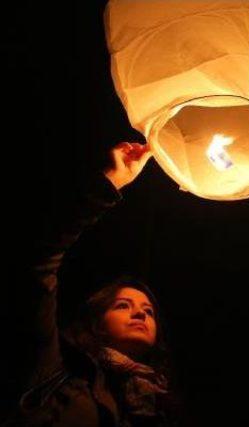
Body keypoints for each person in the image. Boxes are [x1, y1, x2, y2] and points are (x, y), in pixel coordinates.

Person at [10, 142, 176, 426]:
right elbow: (38, 264)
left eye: (148, 311)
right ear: (96, 323)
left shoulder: (161, 404)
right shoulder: (53, 370)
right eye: (123, 305)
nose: (140, 314)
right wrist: (108, 183)